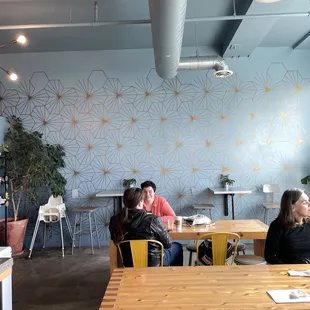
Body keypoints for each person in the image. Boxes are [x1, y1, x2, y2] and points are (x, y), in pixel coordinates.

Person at [109, 187, 183, 267]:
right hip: (153, 264)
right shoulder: (154, 220)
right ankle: (172, 276)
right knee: (177, 247)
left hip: (129, 263)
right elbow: (168, 244)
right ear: (141, 203)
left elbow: (116, 242)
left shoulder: (115, 220)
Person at [264, 188, 310, 264]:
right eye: (305, 203)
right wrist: (287, 269)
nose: (309, 204)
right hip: (288, 272)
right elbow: (270, 256)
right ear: (292, 207)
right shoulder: (277, 226)